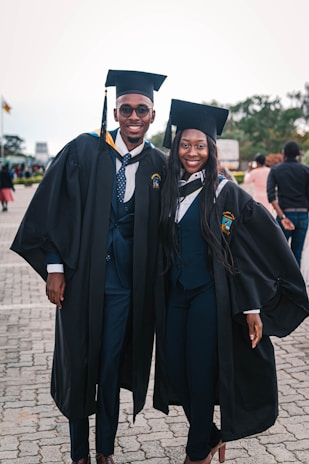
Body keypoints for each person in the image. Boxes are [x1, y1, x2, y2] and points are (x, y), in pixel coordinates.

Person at [10, 69, 167, 464]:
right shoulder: (83, 150)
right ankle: (79, 452)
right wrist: (55, 268)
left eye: (142, 110)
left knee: (111, 367)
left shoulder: (158, 165)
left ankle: (105, 450)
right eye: (126, 108)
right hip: (80, 280)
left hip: (125, 286)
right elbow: (54, 207)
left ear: (153, 114)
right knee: (80, 364)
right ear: (114, 112)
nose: (134, 116)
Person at [158, 99, 309, 464]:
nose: (192, 152)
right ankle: (210, 435)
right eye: (185, 145)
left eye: (200, 146)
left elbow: (252, 249)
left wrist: (252, 305)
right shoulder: (165, 190)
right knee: (174, 371)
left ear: (211, 150)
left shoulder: (226, 193)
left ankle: (197, 452)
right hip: (176, 295)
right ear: (176, 147)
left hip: (210, 297)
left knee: (199, 374)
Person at [267, 141, 309, 266]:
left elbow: (271, 196)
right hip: (303, 215)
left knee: (279, 252)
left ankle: (281, 283)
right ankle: (296, 284)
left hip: (284, 214)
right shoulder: (306, 170)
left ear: (284, 153)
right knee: (297, 252)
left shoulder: (275, 170)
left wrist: (282, 217)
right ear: (298, 154)